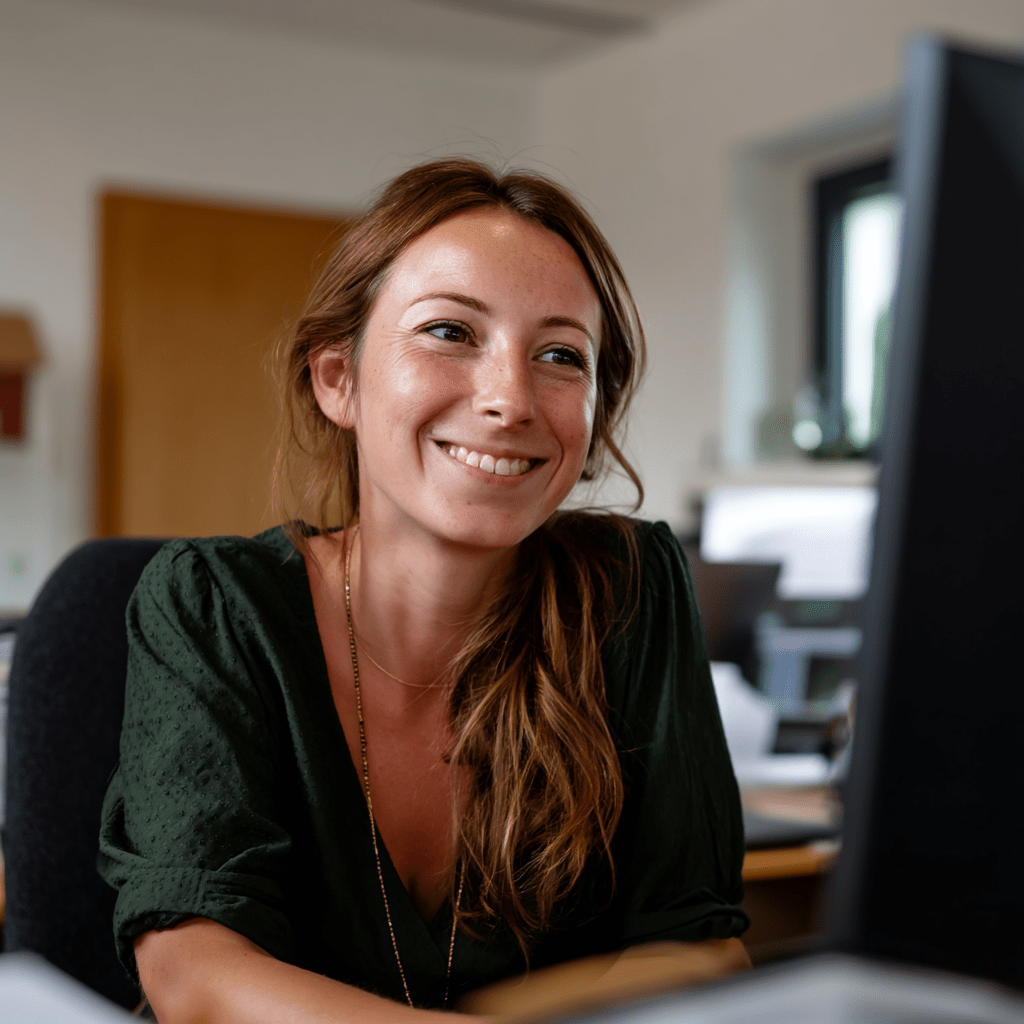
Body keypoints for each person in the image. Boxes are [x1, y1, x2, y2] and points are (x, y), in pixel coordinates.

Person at [98, 158, 751, 1024]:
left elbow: (697, 945)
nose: (510, 399)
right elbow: (194, 975)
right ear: (338, 380)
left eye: (561, 355)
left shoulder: (630, 590)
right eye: (450, 331)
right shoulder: (212, 605)